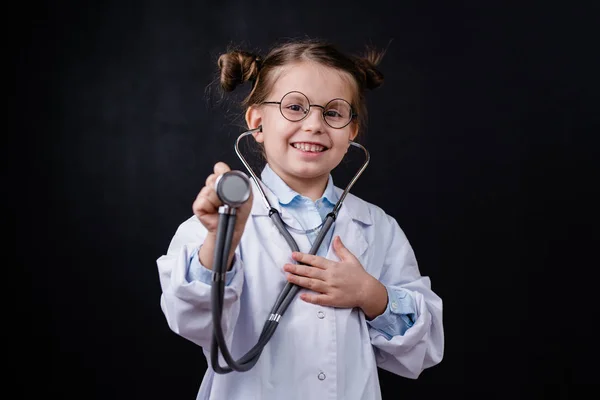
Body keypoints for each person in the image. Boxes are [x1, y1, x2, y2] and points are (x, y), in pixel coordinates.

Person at [156, 38, 444, 400]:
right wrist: (221, 242)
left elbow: (426, 345)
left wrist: (371, 295)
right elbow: (189, 319)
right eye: (295, 107)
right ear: (256, 121)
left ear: (352, 131)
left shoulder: (378, 227)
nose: (314, 125)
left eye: (334, 113)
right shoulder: (222, 216)